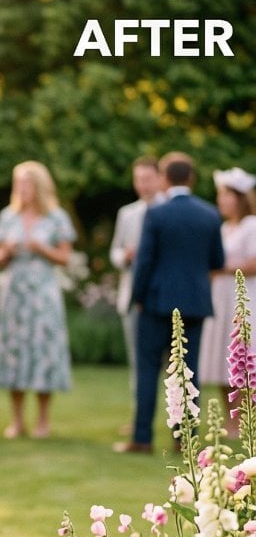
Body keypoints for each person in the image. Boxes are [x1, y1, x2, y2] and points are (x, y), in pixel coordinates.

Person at [118, 152, 223, 454]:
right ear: (191, 178)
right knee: (188, 372)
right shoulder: (209, 214)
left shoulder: (157, 214)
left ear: (164, 179)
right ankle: (185, 440)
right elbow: (217, 260)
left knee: (148, 370)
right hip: (195, 304)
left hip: (155, 304)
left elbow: (144, 262)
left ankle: (142, 438)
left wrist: (137, 298)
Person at [0, 162, 75, 440]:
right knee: (15, 350)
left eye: (27, 183)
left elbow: (65, 257)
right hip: (14, 292)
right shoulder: (8, 216)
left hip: (43, 292)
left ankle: (42, 420)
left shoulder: (56, 217)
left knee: (43, 349)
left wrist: (43, 249)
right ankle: (16, 420)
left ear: (39, 186)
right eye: (18, 183)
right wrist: (6, 252)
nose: (22, 189)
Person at [198, 167, 256, 425]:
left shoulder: (251, 226)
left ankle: (248, 419)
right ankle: (233, 421)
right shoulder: (222, 228)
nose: (221, 200)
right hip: (220, 297)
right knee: (225, 357)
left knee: (245, 355)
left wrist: (223, 268)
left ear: (239, 198)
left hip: (243, 296)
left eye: (225, 195)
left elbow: (253, 263)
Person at [109, 157, 165, 410]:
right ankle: (139, 414)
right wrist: (125, 256)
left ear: (159, 179)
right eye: (138, 179)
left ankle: (173, 414)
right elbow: (115, 251)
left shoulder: (168, 211)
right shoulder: (127, 213)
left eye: (147, 179)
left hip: (162, 295)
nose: (142, 185)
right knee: (137, 359)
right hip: (132, 295)